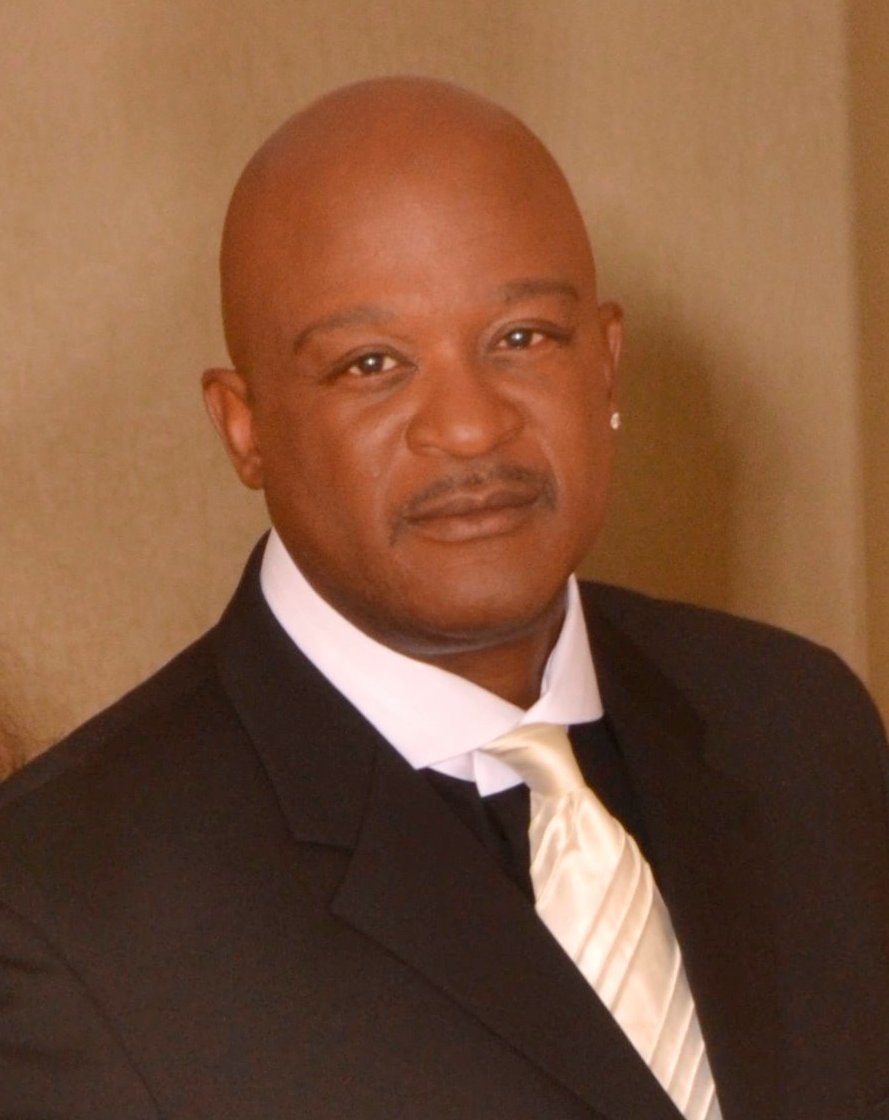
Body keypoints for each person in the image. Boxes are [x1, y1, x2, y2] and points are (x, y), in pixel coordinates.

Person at [0, 78, 887, 1120]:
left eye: (522, 337)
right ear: (244, 427)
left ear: (606, 364)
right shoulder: (60, 908)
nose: (469, 426)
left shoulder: (797, 726)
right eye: (371, 364)